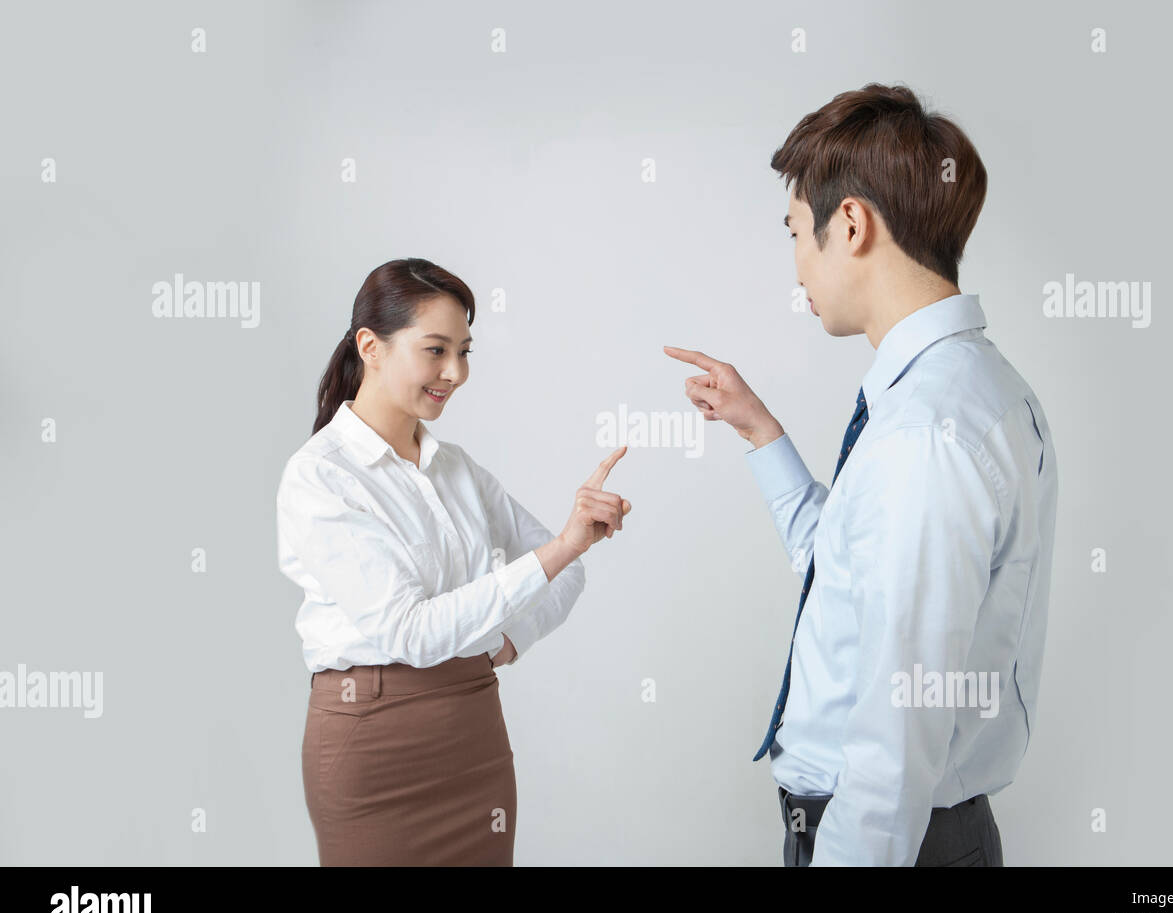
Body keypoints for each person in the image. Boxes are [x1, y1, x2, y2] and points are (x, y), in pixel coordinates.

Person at [666, 83, 1058, 866]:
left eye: (794, 234)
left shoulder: (923, 434)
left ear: (850, 224)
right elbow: (846, 579)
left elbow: (894, 737)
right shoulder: (980, 389)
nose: (798, 269)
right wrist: (762, 433)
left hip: (880, 841)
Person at [276, 257, 631, 865]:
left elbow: (565, 570)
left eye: (465, 351)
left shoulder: (456, 468)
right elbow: (408, 630)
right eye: (436, 350)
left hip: (474, 740)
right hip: (372, 751)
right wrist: (560, 548)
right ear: (371, 346)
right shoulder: (320, 476)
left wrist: (504, 642)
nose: (456, 372)